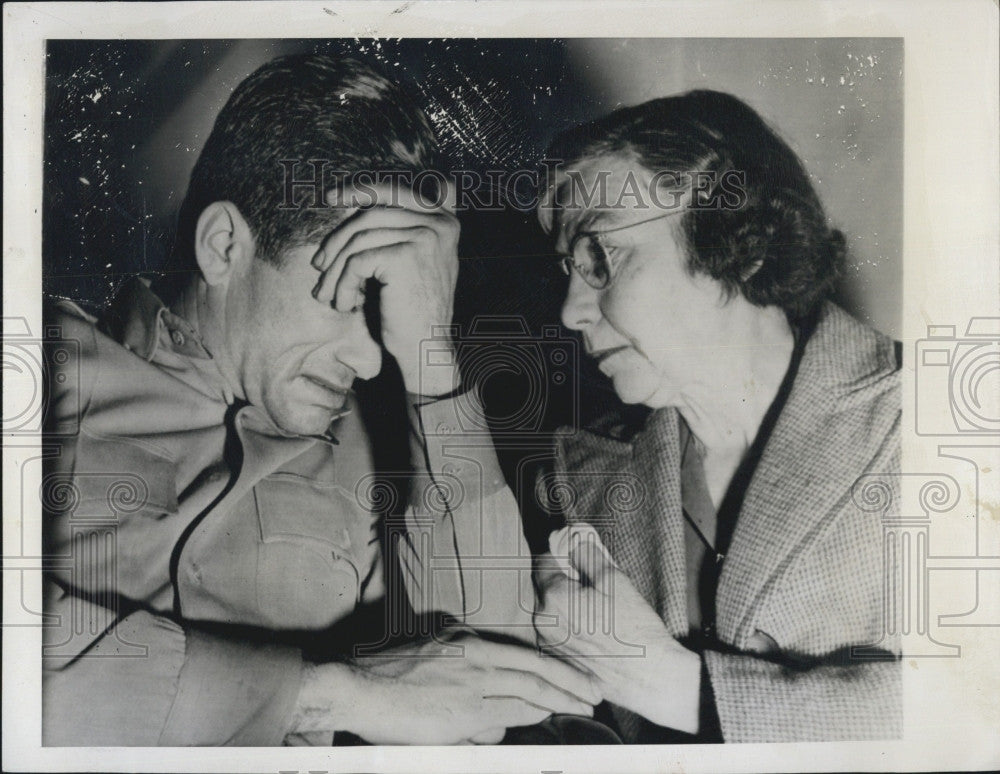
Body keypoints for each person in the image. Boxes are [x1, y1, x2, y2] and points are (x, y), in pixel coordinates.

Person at [41, 53, 599, 746]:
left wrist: (432, 360)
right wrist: (327, 697)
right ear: (223, 246)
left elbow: (488, 686)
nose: (370, 362)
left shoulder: (384, 450)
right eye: (349, 299)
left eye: (388, 314)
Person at [532, 89, 902, 743]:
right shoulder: (581, 487)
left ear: (741, 242)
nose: (570, 310)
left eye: (600, 256)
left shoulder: (935, 426)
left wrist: (683, 690)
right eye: (568, 266)